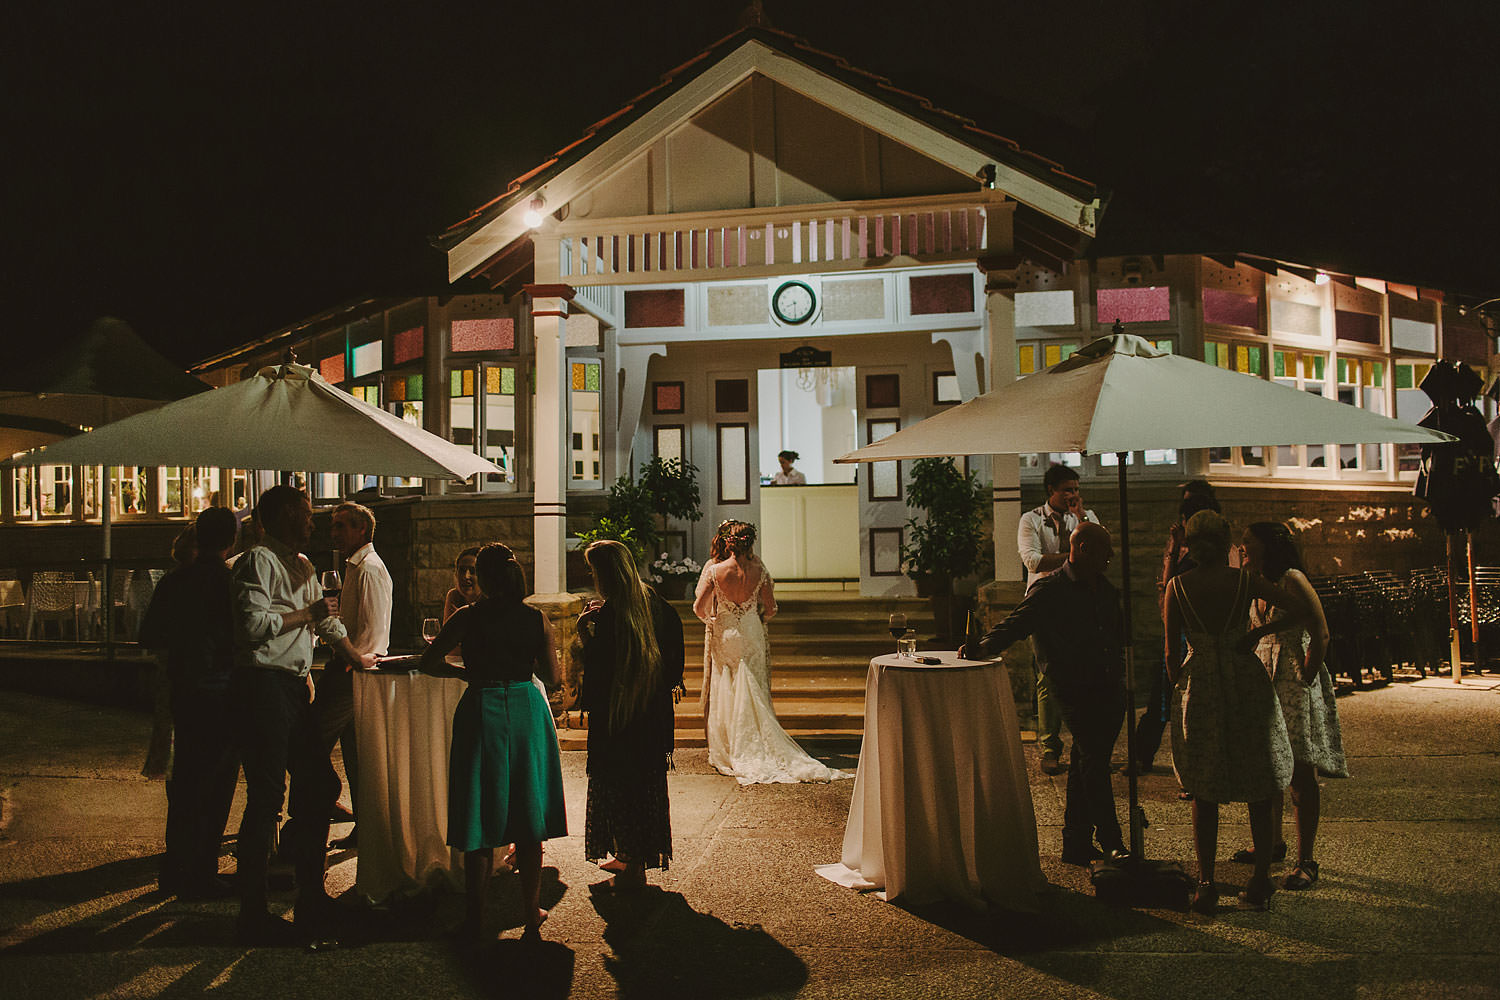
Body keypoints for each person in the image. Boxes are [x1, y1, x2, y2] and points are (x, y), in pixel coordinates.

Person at [229, 486, 375, 944]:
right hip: (262, 686)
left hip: (292, 686)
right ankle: (252, 913)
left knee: (319, 784)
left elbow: (326, 623)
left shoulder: (304, 565)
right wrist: (303, 615)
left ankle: (311, 897)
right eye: (308, 515)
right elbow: (253, 626)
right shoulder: (259, 562)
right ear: (284, 517)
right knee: (269, 794)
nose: (314, 523)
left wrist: (357, 657)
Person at [419, 544, 565, 943]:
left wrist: (465, 675)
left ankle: (475, 915)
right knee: (527, 813)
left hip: (481, 706)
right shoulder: (537, 618)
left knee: (479, 813)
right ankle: (532, 913)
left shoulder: (468, 616)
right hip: (524, 707)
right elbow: (553, 679)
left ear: (482, 577)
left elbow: (428, 662)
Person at [1164, 510, 1308, 914]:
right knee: (1258, 782)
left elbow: (1170, 655)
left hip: (1202, 682)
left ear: (1190, 543)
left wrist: (1183, 682)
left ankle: (1206, 884)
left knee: (1204, 788)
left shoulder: (1178, 586)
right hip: (1245, 677)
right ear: (1225, 540)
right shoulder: (1244, 581)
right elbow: (1299, 609)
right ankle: (1261, 879)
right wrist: (1257, 634)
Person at [961, 522, 1129, 867]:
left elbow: (1118, 635)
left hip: (1107, 685)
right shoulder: (1050, 589)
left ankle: (1075, 843)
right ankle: (1111, 840)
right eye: (1104, 550)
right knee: (1094, 761)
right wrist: (982, 647)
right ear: (1081, 548)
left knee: (1085, 759)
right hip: (1072, 686)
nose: (1110, 557)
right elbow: (1017, 624)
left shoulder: (1106, 589)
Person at [136, 506, 241, 900]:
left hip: (185, 691)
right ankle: (201, 871)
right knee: (216, 787)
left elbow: (150, 636)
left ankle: (175, 866)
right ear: (232, 540)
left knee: (186, 784)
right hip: (223, 692)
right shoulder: (230, 583)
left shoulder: (174, 583)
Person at [1238, 521, 1348, 891]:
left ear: (1268, 546)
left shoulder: (1292, 579)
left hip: (1292, 677)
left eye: (1248, 543)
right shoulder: (1255, 582)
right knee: (1270, 765)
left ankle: (1307, 859)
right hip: (1265, 677)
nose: (1243, 549)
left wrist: (1307, 675)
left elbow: (1322, 631)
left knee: (1300, 771)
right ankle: (1272, 842)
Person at [693, 521, 848, 784]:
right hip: (752, 630)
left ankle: (732, 747)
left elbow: (698, 607)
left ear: (728, 543)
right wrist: (755, 619)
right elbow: (772, 608)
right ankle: (760, 742)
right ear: (751, 542)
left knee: (727, 685)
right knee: (753, 684)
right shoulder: (759, 570)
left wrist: (713, 620)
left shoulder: (716, 570)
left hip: (727, 631)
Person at [579, 540, 685, 888]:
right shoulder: (656, 605)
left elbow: (599, 673)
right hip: (650, 718)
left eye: (594, 570)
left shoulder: (612, 613)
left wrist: (584, 633)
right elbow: (674, 666)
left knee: (618, 789)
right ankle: (631, 858)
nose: (592, 576)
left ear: (606, 573)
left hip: (617, 720)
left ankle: (631, 868)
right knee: (644, 788)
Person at [315, 501, 392, 850]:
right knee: (355, 756)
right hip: (348, 668)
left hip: (352, 672)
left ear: (362, 530)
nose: (334, 533)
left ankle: (326, 815)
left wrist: (352, 660)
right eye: (333, 526)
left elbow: (373, 632)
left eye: (341, 526)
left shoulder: (369, 569)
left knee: (312, 745)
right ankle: (365, 828)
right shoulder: (353, 567)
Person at [1017, 463, 1100, 769]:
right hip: (1045, 604)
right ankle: (1049, 747)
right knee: (1046, 675)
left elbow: (1100, 552)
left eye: (1076, 489)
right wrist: (1075, 556)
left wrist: (1081, 520)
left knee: (1084, 671)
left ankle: (1083, 741)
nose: (1073, 495)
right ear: (1051, 491)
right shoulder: (1031, 520)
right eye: (1067, 490)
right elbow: (1033, 561)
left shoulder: (1085, 518)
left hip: (1080, 603)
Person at [1136, 488, 1223, 777]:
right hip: (1180, 629)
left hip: (1193, 634)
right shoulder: (1185, 549)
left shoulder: (1213, 555)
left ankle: (1196, 767)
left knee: (1185, 702)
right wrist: (1174, 548)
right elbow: (1167, 586)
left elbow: (1172, 584)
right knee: (1160, 700)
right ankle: (1144, 756)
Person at [142, 525, 200, 779]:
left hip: (172, 671)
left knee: (174, 744)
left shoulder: (170, 581)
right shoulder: (213, 581)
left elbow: (147, 634)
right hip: (192, 673)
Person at [442, 546, 482, 622]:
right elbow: (447, 632)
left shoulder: (490, 600)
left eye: (473, 571)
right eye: (462, 570)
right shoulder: (454, 596)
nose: (466, 576)